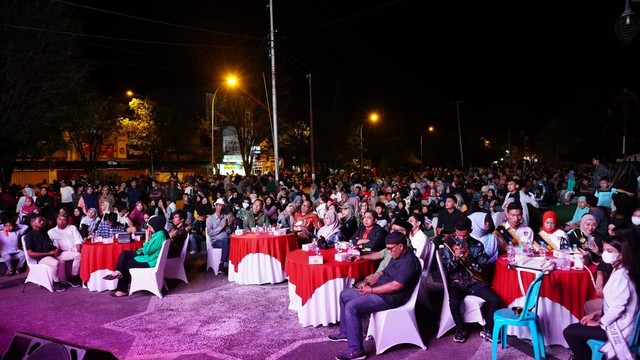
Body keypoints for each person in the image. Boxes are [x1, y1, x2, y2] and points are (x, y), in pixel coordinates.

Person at [328, 231, 422, 360]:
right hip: (379, 289)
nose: (388, 252)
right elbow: (383, 273)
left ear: (400, 246)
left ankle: (356, 351)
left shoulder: (409, 261)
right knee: (345, 295)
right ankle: (346, 332)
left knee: (352, 307)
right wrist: (368, 281)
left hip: (391, 298)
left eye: (390, 249)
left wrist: (371, 291)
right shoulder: (397, 255)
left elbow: (396, 286)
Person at [563, 235, 639, 360]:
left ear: (621, 255)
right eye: (604, 250)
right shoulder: (619, 269)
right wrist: (595, 314)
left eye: (610, 251)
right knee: (574, 328)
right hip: (618, 321)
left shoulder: (622, 277)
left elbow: (618, 308)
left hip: (620, 328)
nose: (605, 254)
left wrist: (599, 322)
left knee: (570, 332)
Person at [440, 217, 503, 343]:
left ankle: (489, 330)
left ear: (470, 231)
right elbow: (447, 270)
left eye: (465, 235)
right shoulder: (448, 244)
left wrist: (470, 258)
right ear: (455, 231)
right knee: (454, 303)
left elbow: (481, 269)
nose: (462, 238)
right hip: (456, 282)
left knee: (496, 301)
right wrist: (456, 260)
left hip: (475, 282)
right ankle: (460, 329)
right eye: (459, 235)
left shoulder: (477, 245)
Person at [104, 215, 168, 298]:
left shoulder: (159, 236)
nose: (148, 229)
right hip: (147, 256)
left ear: (156, 226)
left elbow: (146, 250)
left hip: (150, 261)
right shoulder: (159, 233)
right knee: (125, 254)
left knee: (127, 263)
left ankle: (122, 290)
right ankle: (118, 271)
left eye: (150, 227)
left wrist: (147, 238)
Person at [23, 213, 82, 292]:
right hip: (42, 257)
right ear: (32, 223)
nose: (42, 222)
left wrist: (57, 250)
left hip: (53, 254)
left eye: (42, 220)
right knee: (55, 263)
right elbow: (30, 253)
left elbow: (50, 245)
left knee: (78, 255)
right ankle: (56, 282)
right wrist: (48, 253)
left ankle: (73, 277)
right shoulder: (29, 236)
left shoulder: (44, 232)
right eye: (39, 221)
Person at [47, 212, 83, 285]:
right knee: (78, 255)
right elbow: (48, 245)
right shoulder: (51, 232)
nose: (62, 221)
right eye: (60, 219)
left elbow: (78, 240)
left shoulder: (72, 227)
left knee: (82, 254)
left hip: (74, 249)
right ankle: (73, 277)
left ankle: (84, 276)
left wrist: (78, 251)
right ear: (56, 220)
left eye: (64, 219)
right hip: (62, 253)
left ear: (67, 221)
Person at [205, 198, 231, 273]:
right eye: (219, 205)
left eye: (222, 206)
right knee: (225, 241)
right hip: (216, 241)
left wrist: (227, 227)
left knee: (227, 241)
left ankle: (224, 263)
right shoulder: (210, 219)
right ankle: (224, 263)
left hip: (226, 238)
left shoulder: (226, 217)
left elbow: (228, 232)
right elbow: (210, 233)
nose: (220, 207)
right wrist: (221, 227)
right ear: (215, 206)